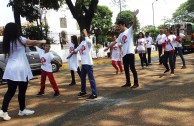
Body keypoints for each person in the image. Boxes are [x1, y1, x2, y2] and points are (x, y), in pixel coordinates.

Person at [0, 22, 46, 121]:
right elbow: (32, 42)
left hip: (12, 68)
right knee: (21, 90)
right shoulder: (20, 40)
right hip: (20, 68)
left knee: (11, 91)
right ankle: (6, 111)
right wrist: (42, 40)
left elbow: (29, 42)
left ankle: (19, 110)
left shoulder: (7, 41)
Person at [104, 9, 139, 88]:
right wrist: (108, 47)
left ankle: (136, 83)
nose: (119, 27)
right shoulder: (120, 35)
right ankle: (128, 82)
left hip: (130, 52)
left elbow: (134, 24)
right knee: (126, 68)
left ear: (123, 25)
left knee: (132, 67)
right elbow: (115, 42)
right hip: (124, 53)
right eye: (118, 26)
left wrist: (134, 16)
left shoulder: (129, 30)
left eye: (120, 26)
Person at [67, 29, 97, 100]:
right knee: (82, 78)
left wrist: (86, 34)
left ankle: (94, 93)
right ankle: (83, 91)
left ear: (87, 34)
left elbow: (89, 41)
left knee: (91, 79)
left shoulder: (88, 42)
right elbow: (76, 49)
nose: (82, 35)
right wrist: (70, 55)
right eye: (82, 34)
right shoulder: (82, 42)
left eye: (84, 34)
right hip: (83, 64)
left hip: (88, 64)